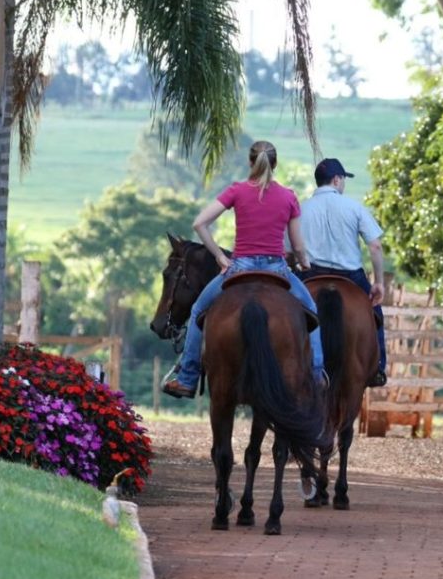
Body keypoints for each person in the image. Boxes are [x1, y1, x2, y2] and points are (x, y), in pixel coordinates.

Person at [161, 140, 326, 399]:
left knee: (196, 312)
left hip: (240, 267)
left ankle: (187, 378)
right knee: (312, 312)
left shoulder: (236, 190)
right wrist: (304, 262)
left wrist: (219, 256)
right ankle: (316, 376)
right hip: (277, 269)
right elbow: (297, 245)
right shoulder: (289, 197)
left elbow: (199, 223)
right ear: (275, 164)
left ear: (251, 162)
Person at [298, 158, 388, 387]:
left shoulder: (301, 209)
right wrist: (378, 282)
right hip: (351, 277)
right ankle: (378, 368)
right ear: (337, 180)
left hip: (311, 274)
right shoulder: (354, 207)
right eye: (343, 179)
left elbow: (290, 250)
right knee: (375, 314)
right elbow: (375, 246)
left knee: (283, 310)